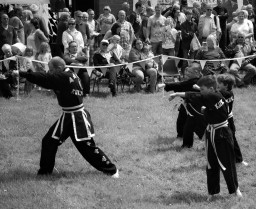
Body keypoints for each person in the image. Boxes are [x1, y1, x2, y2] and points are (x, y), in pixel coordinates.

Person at [14, 57, 119, 177]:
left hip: (77, 117)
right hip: (68, 115)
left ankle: (111, 169)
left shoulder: (64, 76)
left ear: (59, 68)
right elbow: (47, 78)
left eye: (51, 69)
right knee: (49, 141)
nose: (49, 71)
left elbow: (44, 78)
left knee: (87, 147)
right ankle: (45, 172)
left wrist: (21, 73)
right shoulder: (68, 74)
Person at [168, 75, 242, 200]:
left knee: (227, 163)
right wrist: (204, 110)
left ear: (211, 89)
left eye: (202, 89)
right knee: (211, 164)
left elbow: (195, 96)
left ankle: (235, 189)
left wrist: (176, 94)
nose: (200, 92)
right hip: (211, 132)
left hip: (222, 134)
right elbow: (198, 96)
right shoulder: (213, 95)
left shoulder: (214, 96)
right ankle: (212, 192)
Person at [216, 74, 248, 166]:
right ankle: (234, 159)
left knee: (231, 138)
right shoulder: (229, 92)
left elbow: (212, 94)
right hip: (226, 119)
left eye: (219, 83)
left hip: (226, 120)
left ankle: (238, 159)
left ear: (225, 85)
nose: (217, 84)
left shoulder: (225, 94)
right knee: (227, 139)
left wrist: (199, 88)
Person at [181, 9, 198, 73]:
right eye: (188, 14)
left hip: (193, 45)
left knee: (191, 60)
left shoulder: (195, 24)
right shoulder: (183, 24)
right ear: (186, 15)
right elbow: (184, 35)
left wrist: (189, 33)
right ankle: (183, 73)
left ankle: (190, 73)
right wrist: (192, 34)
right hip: (185, 44)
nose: (189, 16)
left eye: (190, 14)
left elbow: (197, 33)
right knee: (185, 60)